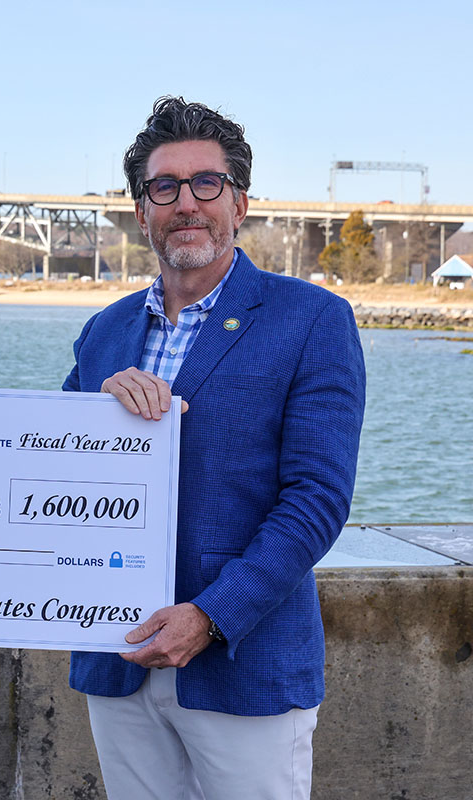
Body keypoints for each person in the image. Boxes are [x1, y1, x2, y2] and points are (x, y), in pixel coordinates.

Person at [61, 97, 365, 799]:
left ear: (240, 204)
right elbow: (56, 473)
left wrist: (210, 616)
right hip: (119, 657)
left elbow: (316, 500)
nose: (185, 203)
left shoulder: (313, 320)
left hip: (243, 663)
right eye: (163, 187)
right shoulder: (103, 334)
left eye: (207, 184)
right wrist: (93, 410)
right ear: (142, 211)